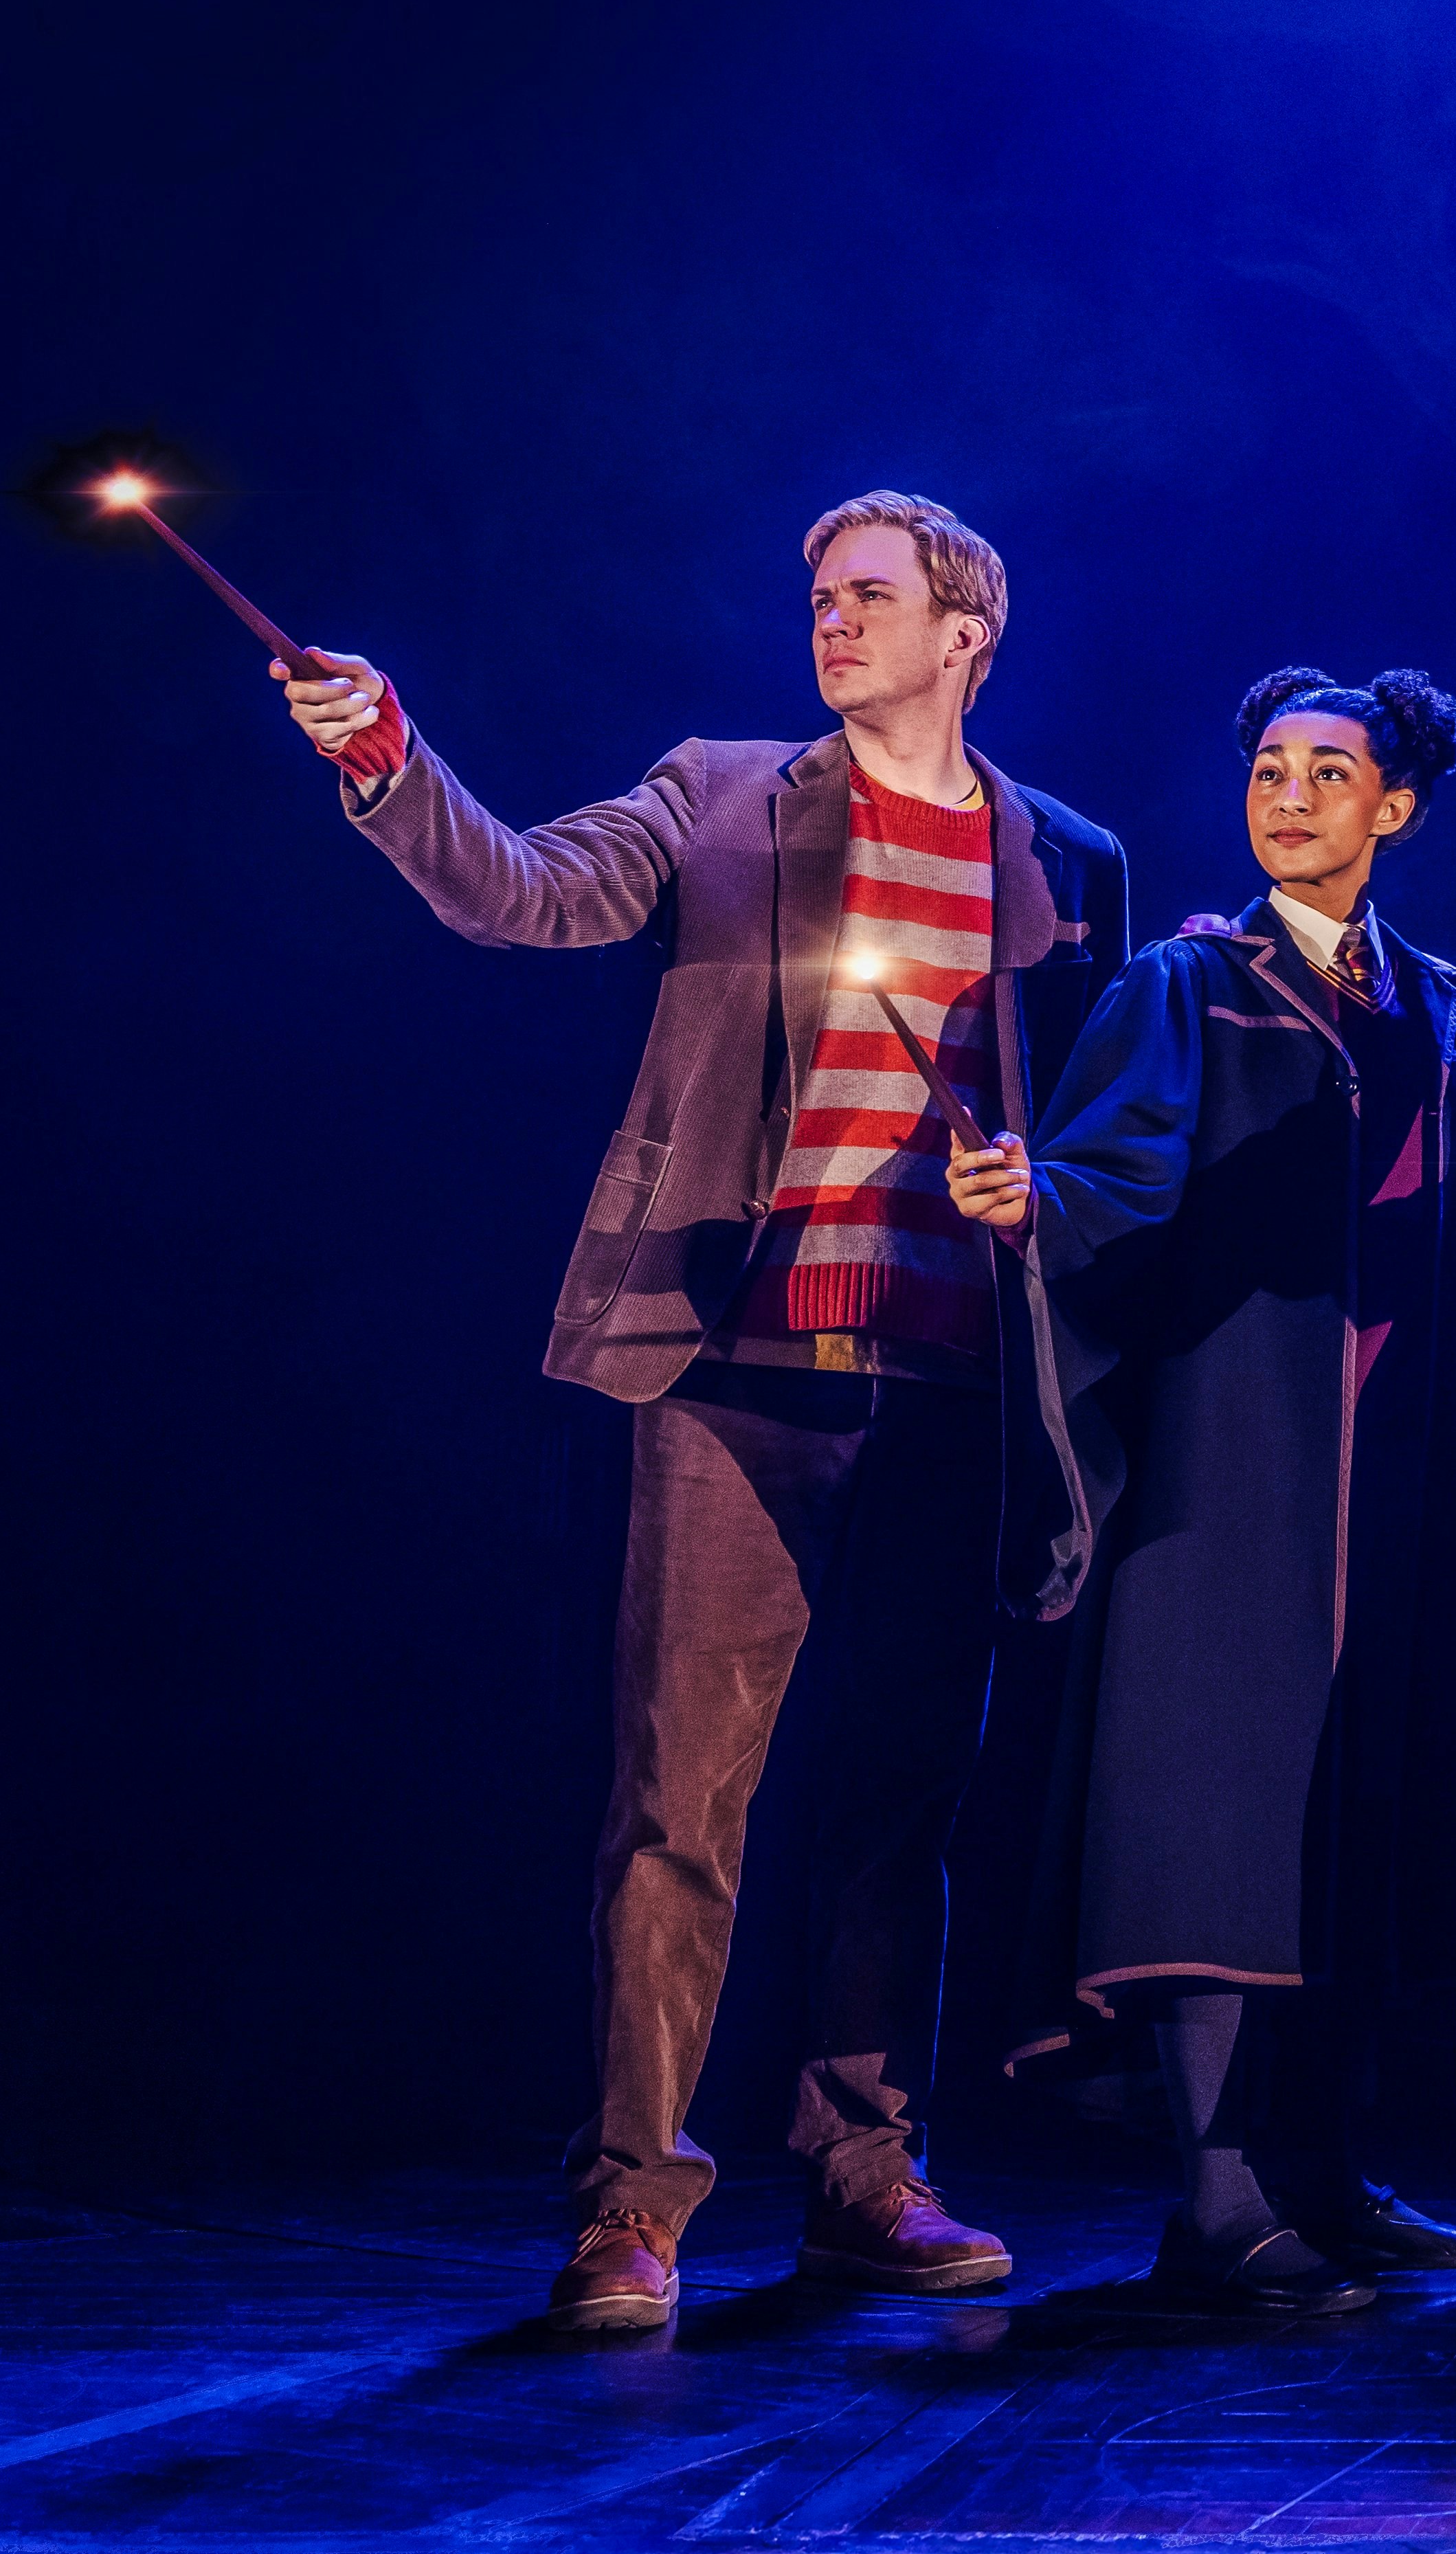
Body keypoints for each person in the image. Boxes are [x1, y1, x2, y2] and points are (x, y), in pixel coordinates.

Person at [272, 491, 1124, 2333]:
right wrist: (393, 765)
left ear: (968, 632)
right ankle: (631, 2208)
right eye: (819, 597)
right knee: (680, 1802)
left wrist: (1031, 1183)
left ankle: (867, 2175)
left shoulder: (1067, 859)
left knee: (903, 1805)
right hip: (735, 1367)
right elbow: (527, 891)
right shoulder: (728, 791)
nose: (832, 621)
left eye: (870, 598)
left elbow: (1100, 1130)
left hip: (951, 1384)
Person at [955, 666, 1456, 2314]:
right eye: (1270, 767)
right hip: (1234, 1467)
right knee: (1207, 1818)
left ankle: (1327, 2170)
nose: (1290, 794)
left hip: (1396, 1469)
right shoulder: (1191, 987)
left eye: (1329, 772)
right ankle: (1214, 2201)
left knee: (1344, 1817)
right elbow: (1110, 1173)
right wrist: (1031, 1201)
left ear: (1395, 806)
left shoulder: (1448, 1008)